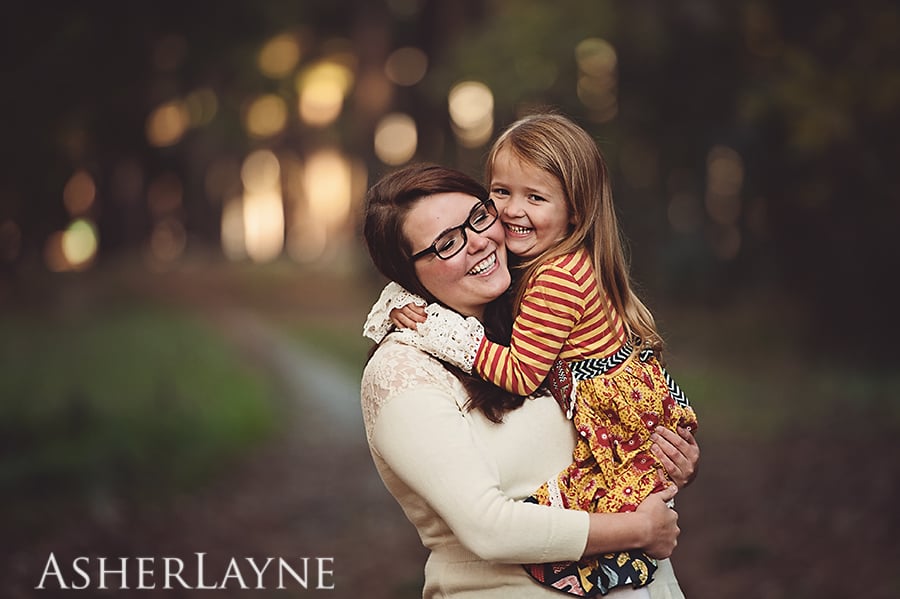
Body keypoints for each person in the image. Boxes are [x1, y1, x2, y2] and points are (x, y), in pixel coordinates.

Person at [367, 114, 699, 596]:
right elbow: (488, 527)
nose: (481, 238)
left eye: (478, 217)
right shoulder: (401, 372)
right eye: (445, 243)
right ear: (405, 272)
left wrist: (669, 460)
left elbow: (604, 436)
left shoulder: (531, 310)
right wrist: (640, 530)